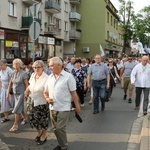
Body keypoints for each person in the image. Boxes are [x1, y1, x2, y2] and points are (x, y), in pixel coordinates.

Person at [43, 57, 81, 150]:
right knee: (55, 128)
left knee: (60, 128)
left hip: (64, 107)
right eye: (49, 66)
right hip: (52, 107)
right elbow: (45, 91)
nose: (50, 68)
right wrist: (47, 98)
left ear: (59, 66)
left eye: (52, 65)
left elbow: (74, 93)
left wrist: (77, 106)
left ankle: (64, 146)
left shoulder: (68, 77)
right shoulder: (50, 77)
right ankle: (61, 143)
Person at [24, 60, 49, 145]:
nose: (36, 69)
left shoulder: (46, 78)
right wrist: (26, 91)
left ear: (42, 68)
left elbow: (47, 90)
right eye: (34, 67)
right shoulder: (33, 75)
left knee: (42, 120)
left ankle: (44, 135)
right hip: (32, 100)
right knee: (32, 119)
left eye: (38, 67)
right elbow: (30, 85)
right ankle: (39, 132)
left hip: (42, 102)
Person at [6, 59, 29, 132]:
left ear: (20, 64)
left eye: (17, 64)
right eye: (14, 64)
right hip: (15, 93)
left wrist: (26, 93)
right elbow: (10, 84)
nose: (15, 65)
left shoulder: (24, 73)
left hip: (22, 93)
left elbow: (26, 84)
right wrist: (7, 93)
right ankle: (25, 118)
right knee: (20, 107)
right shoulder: (12, 73)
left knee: (16, 109)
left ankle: (15, 125)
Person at [0, 59, 14, 123]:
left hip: (10, 89)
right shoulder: (1, 71)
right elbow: (0, 80)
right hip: (3, 89)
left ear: (5, 65)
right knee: (3, 103)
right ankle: (6, 117)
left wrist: (10, 89)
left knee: (13, 103)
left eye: (1, 65)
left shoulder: (9, 71)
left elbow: (13, 81)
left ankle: (22, 115)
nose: (0, 66)